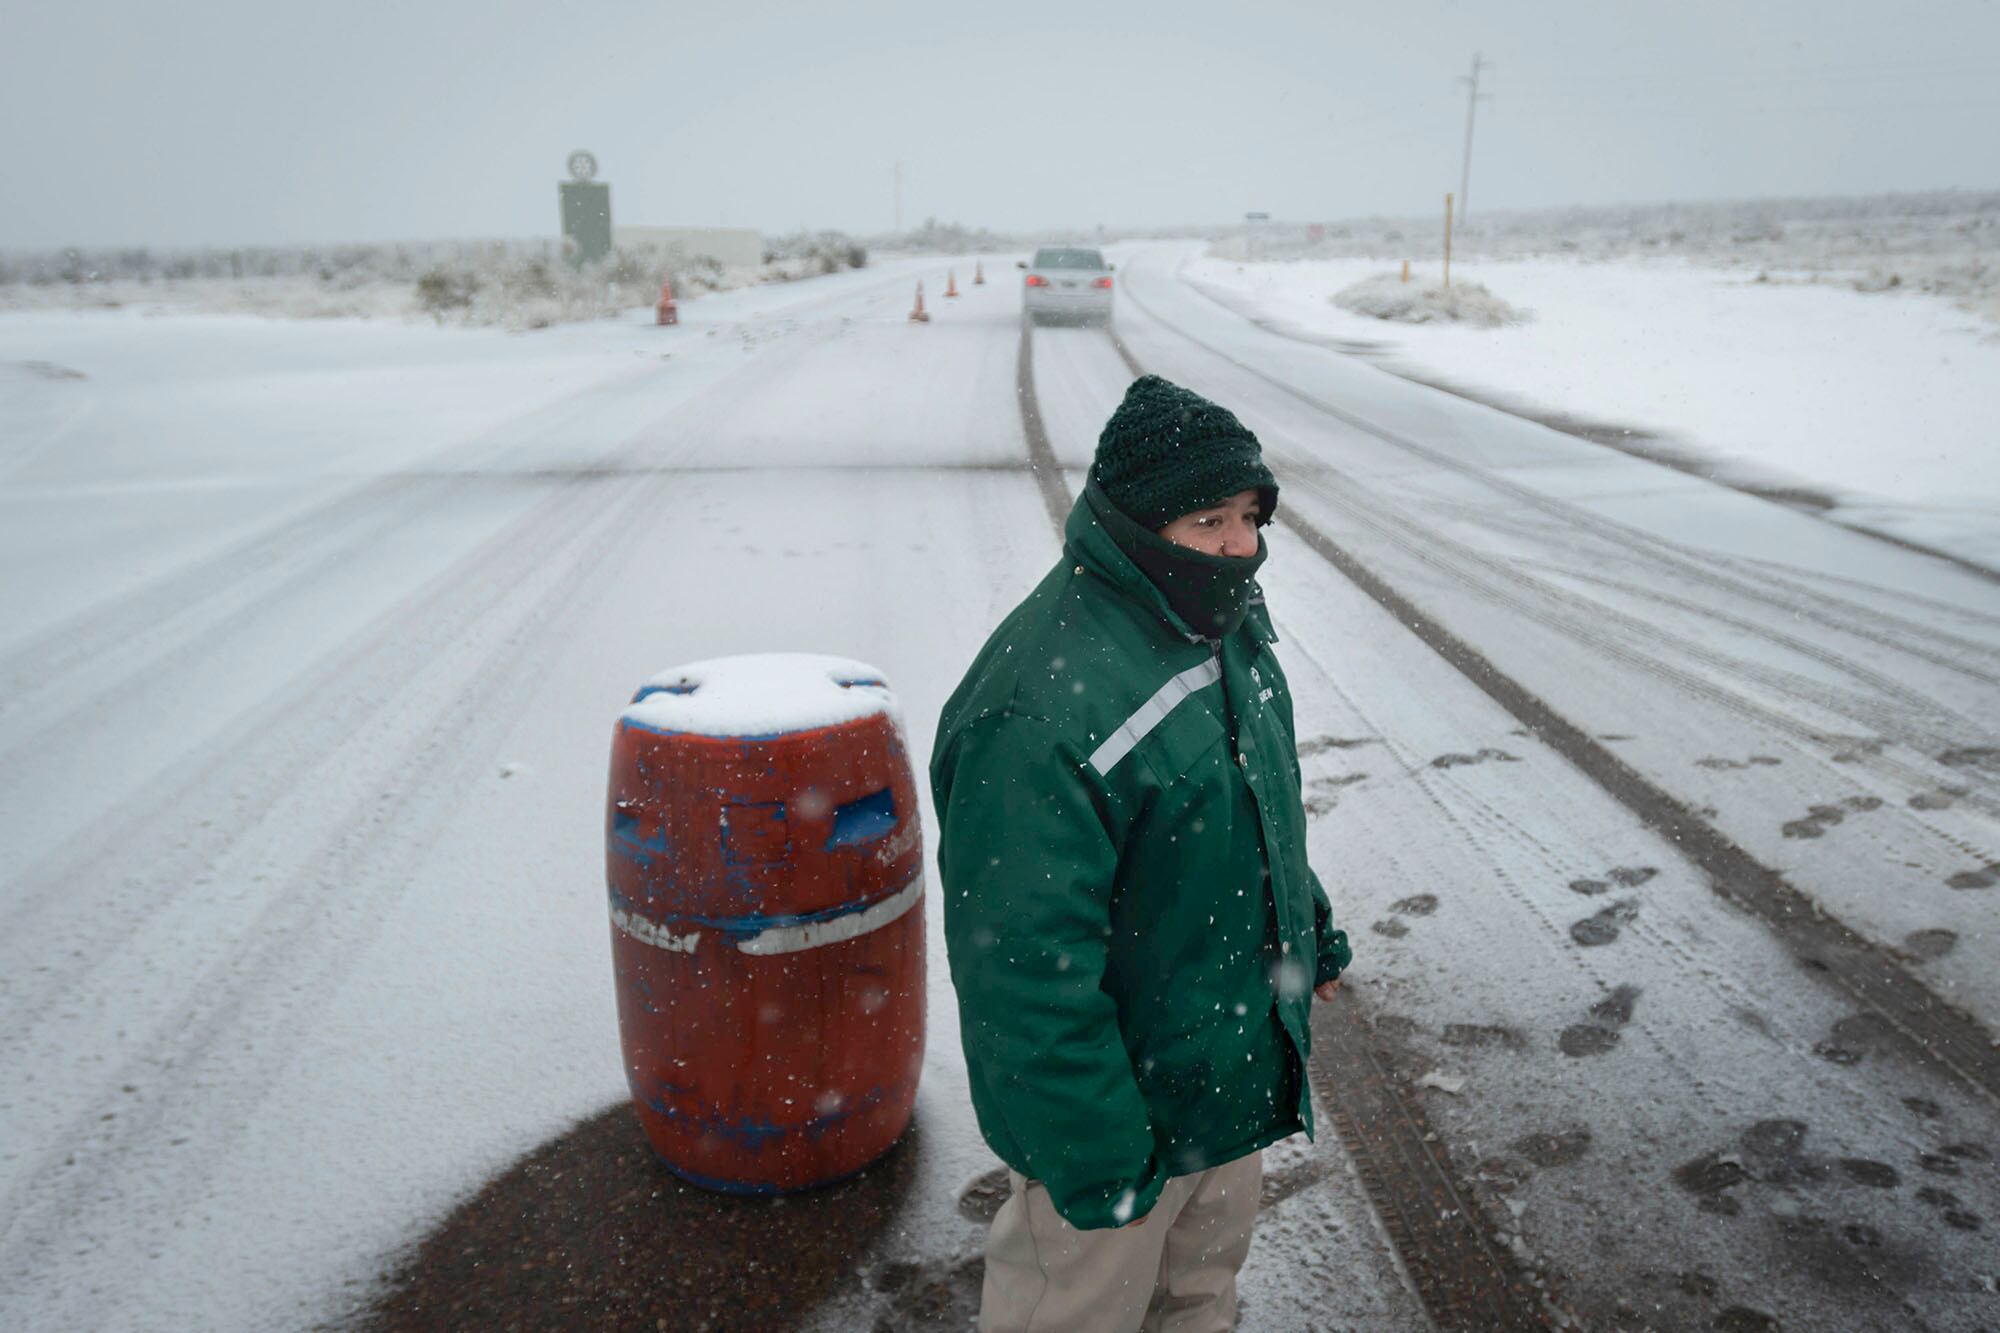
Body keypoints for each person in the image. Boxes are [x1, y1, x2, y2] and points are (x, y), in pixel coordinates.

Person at [931, 374, 1352, 1332]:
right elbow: (1022, 970)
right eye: (1210, 519)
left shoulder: (1218, 625)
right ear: (1134, 525)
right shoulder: (1037, 708)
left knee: (1199, 1299)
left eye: (1250, 514)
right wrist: (1093, 1150)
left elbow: (1251, 808)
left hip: (1222, 1078)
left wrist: (1307, 929)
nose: (1243, 543)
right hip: (1116, 1124)